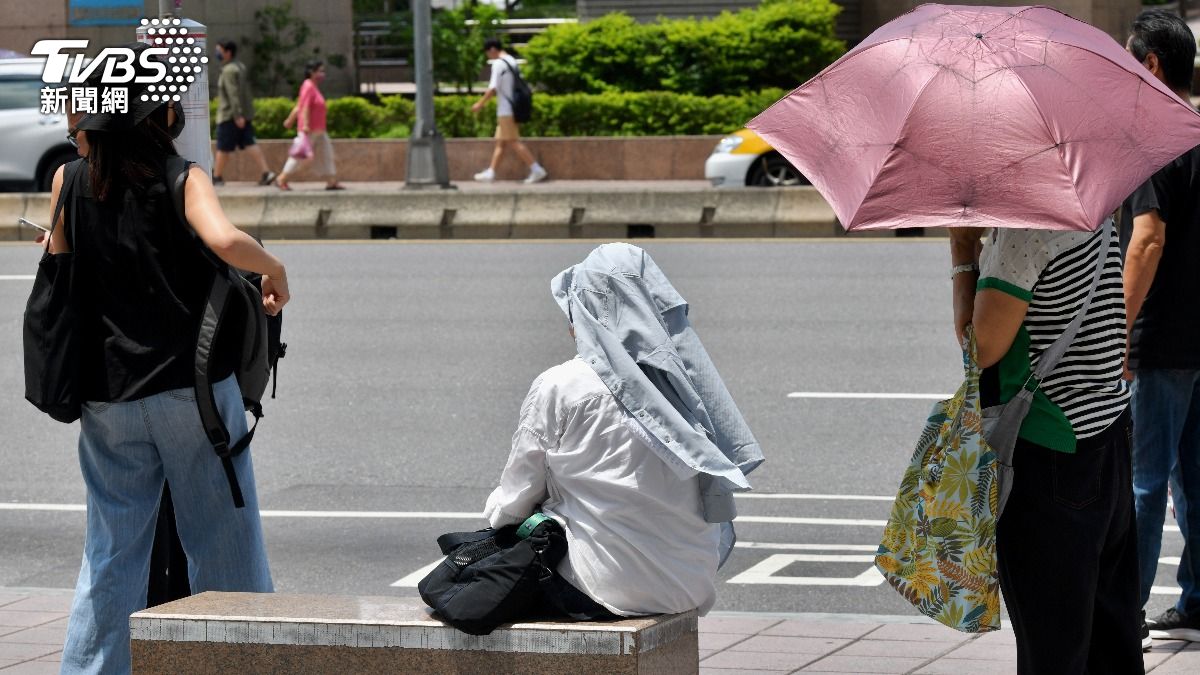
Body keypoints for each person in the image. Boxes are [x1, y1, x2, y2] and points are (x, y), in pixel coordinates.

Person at [44, 47, 288, 674]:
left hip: (107, 397)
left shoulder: (68, 180)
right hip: (195, 395)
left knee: (110, 552)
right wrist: (275, 268)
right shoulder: (183, 176)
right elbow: (225, 241)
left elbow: (59, 272)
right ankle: (241, 664)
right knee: (223, 543)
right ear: (158, 110)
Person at [484, 243, 762, 617]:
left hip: (602, 587)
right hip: (689, 585)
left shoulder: (563, 385)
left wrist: (496, 520)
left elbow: (516, 500)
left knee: (476, 574)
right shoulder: (684, 383)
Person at [948, 218, 1137, 673]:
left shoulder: (1023, 234)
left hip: (1047, 453)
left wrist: (962, 251)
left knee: (1051, 646)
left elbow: (980, 349)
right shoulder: (1097, 214)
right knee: (1111, 639)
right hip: (1107, 436)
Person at [1122, 9, 1200, 645]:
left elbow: (1145, 242)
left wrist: (1116, 331)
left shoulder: (1152, 142)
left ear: (1149, 66)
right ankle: (1198, 599)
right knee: (1197, 478)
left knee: (1143, 482)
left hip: (1164, 340)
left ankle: (1126, 610)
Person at [470, 37, 547, 184]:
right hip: (514, 107)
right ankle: (491, 172)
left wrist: (480, 104)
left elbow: (493, 88)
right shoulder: (511, 60)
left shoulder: (498, 64)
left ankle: (536, 169)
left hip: (506, 109)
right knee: (501, 142)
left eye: (488, 53)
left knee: (512, 141)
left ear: (492, 49)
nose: (488, 57)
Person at [212, 40, 276, 187]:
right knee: (250, 143)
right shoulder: (239, 67)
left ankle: (216, 177)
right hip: (242, 115)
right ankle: (266, 172)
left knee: (223, 147)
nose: (217, 53)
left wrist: (237, 115)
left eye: (219, 50)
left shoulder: (228, 70)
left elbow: (233, 94)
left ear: (227, 52)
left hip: (230, 116)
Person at [276, 60, 343, 191]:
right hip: (309, 130)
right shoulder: (308, 86)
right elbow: (304, 107)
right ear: (312, 72)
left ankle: (331, 181)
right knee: (299, 155)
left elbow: (299, 106)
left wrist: (289, 120)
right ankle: (282, 178)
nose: (323, 74)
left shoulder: (313, 86)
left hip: (319, 130)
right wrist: (305, 124)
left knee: (326, 154)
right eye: (320, 71)